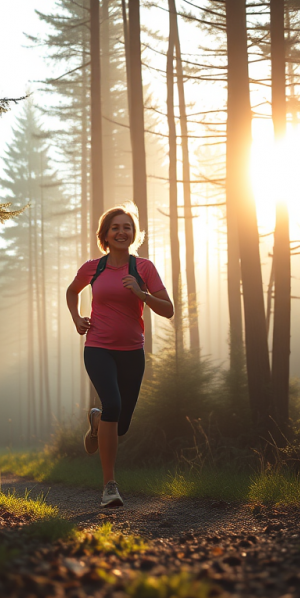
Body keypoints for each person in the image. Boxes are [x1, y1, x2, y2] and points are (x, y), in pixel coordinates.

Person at [65, 203, 173, 508]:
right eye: (115, 227)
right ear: (105, 235)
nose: (121, 232)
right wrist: (77, 318)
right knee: (113, 403)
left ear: (134, 234)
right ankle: (109, 486)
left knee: (120, 424)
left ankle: (97, 420)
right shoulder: (93, 268)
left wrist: (142, 294)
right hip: (98, 347)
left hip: (132, 352)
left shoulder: (144, 269)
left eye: (127, 227)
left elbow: (168, 310)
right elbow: (72, 291)